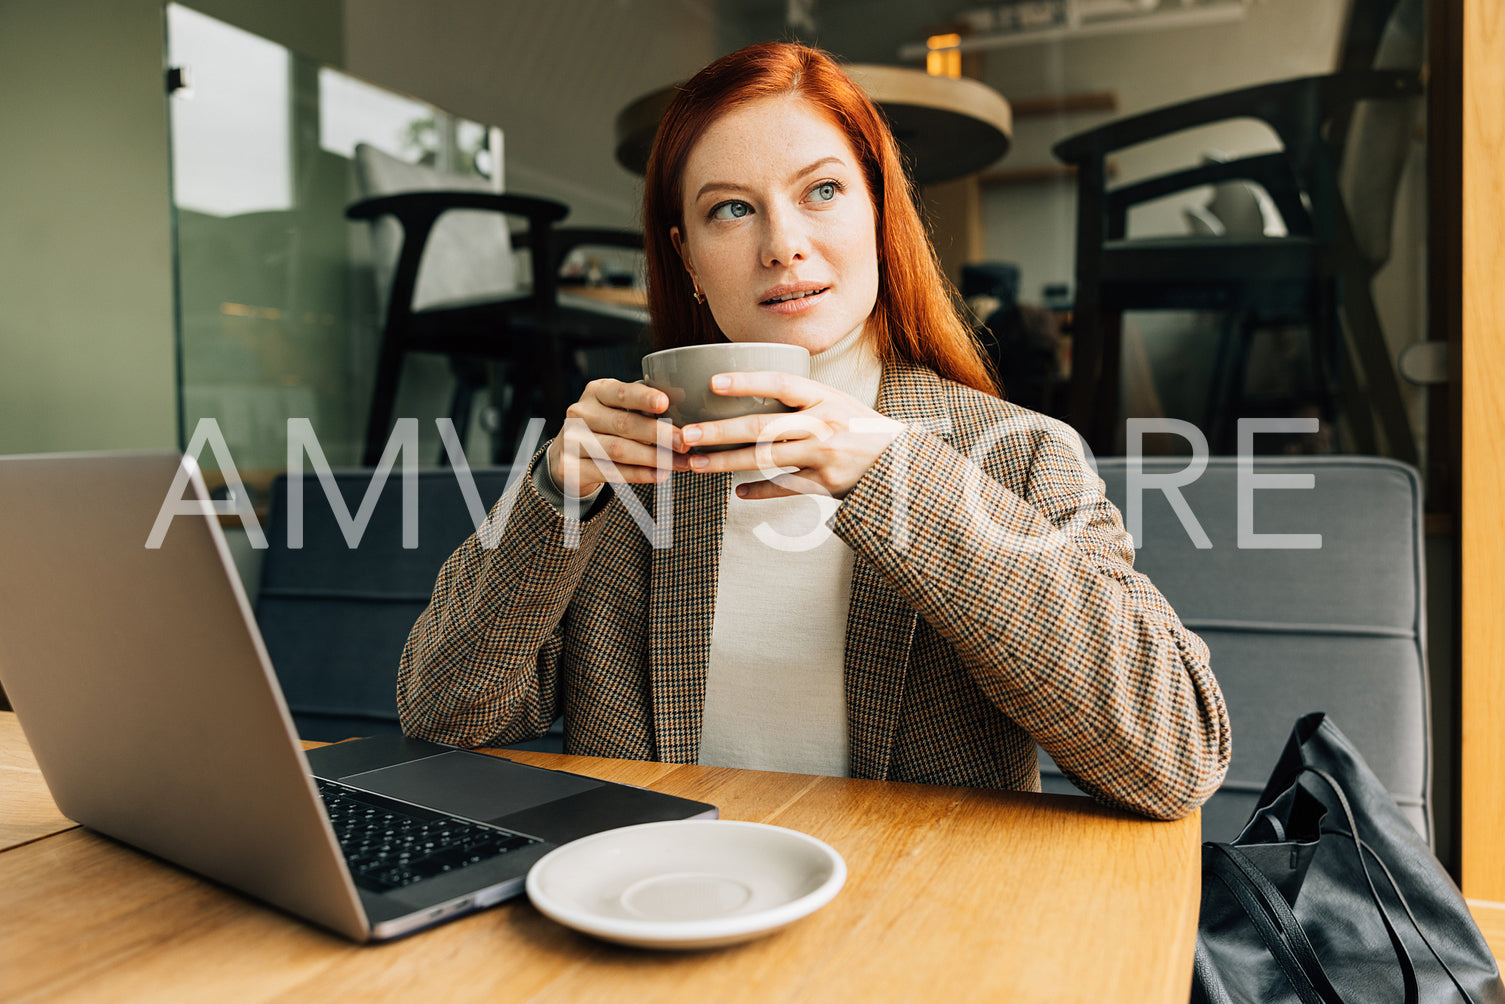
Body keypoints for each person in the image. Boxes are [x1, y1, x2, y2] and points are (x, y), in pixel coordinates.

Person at [397, 41, 1229, 821]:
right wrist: (551, 500)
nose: (783, 246)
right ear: (688, 257)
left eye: (822, 191)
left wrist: (892, 476)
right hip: (660, 921)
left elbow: (1173, 758)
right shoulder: (623, 471)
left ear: (878, 212)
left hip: (912, 938)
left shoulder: (1014, 454)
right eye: (731, 209)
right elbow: (444, 717)